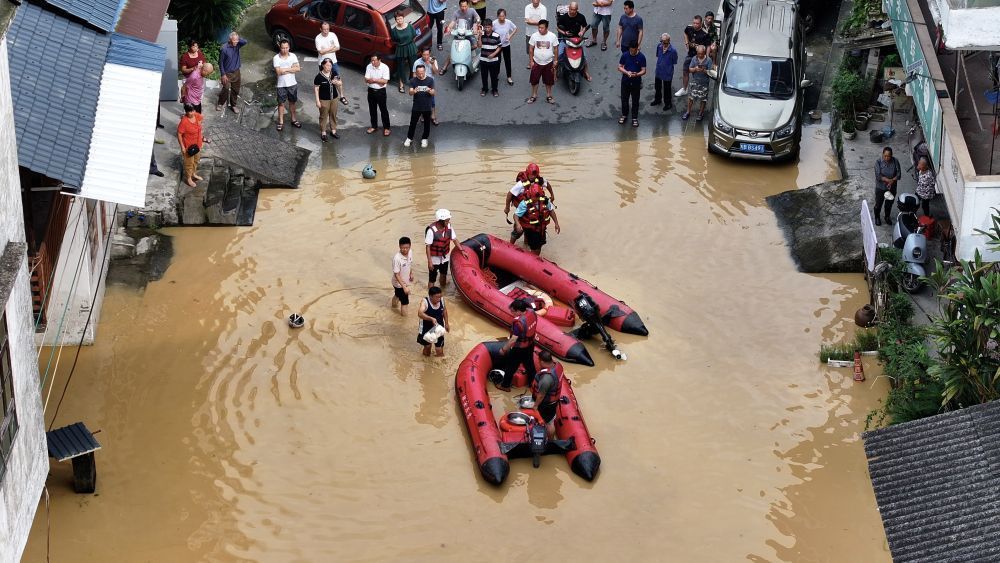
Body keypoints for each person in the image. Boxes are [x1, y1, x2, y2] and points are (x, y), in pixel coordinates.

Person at [490, 298, 538, 391]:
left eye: (513, 312)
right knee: (530, 364)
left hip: (519, 349)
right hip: (530, 344)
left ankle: (505, 386)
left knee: (511, 366)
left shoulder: (518, 323)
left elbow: (513, 339)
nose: (512, 314)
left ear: (519, 311)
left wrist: (504, 349)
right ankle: (533, 383)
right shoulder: (531, 313)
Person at [515, 179, 560, 254]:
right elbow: (516, 215)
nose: (536, 199)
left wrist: (556, 223)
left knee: (539, 246)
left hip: (541, 228)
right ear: (530, 195)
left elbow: (551, 211)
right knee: (534, 247)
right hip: (531, 230)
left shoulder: (545, 201)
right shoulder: (524, 204)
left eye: (538, 197)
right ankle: (531, 259)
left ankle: (534, 258)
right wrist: (517, 224)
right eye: (535, 197)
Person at [425, 208, 466, 287]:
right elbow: (428, 247)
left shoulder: (449, 227)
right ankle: (430, 295)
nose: (448, 222)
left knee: (443, 275)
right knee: (432, 278)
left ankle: (443, 291)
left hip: (445, 257)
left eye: (448, 220)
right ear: (440, 221)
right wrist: (429, 262)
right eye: (446, 220)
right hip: (434, 259)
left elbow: (454, 239)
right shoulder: (431, 230)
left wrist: (462, 250)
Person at [441, 0, 482, 74]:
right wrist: (448, 29)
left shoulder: (472, 11)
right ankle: (444, 67)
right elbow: (453, 22)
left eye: (465, 6)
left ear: (468, 5)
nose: (464, 8)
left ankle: (466, 55)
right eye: (462, 6)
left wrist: (476, 24)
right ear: (459, 6)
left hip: (469, 33)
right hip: (459, 34)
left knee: (475, 46)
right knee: (454, 51)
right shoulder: (456, 13)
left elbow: (477, 18)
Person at [315, 22, 349, 105]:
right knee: (323, 80)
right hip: (322, 63)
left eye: (327, 29)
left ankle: (341, 96)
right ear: (320, 29)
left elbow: (338, 47)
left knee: (337, 79)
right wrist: (331, 47)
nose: (326, 31)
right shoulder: (318, 38)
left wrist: (326, 50)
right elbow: (321, 52)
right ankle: (323, 96)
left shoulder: (333, 35)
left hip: (333, 62)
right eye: (324, 29)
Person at [556, 2, 591, 81]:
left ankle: (586, 72)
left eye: (574, 10)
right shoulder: (563, 18)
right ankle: (556, 71)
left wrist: (582, 32)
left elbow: (584, 26)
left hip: (577, 40)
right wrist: (564, 33)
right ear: (569, 8)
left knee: (584, 56)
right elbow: (558, 28)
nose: (572, 11)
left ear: (577, 9)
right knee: (559, 55)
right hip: (566, 39)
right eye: (571, 9)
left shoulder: (581, 17)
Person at [676, 15, 710, 97]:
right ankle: (684, 89)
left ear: (701, 23)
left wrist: (707, 57)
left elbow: (708, 46)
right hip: (690, 54)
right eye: (694, 23)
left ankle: (700, 92)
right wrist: (687, 42)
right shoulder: (689, 27)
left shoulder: (705, 34)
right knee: (685, 71)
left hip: (699, 58)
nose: (695, 25)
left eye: (697, 23)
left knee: (699, 75)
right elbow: (685, 33)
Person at [527, 19, 558, 104]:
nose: (540, 29)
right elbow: (531, 49)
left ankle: (549, 96)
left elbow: (555, 49)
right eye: (539, 27)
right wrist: (531, 61)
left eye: (542, 28)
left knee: (549, 81)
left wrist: (555, 60)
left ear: (547, 28)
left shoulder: (552, 36)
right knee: (534, 80)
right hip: (536, 62)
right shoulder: (534, 36)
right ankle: (533, 95)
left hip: (548, 63)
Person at [273, 40, 301, 131]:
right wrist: (291, 69)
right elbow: (278, 72)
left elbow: (297, 69)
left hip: (292, 83)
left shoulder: (293, 56)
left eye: (286, 48)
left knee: (292, 102)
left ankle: (293, 119)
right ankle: (281, 121)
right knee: (281, 103)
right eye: (283, 48)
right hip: (281, 84)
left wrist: (284, 70)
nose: (285, 50)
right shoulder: (276, 58)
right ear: (280, 47)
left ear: (289, 47)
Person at [405, 64, 435, 147]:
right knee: (413, 123)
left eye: (422, 72)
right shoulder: (413, 80)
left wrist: (429, 90)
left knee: (427, 124)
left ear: (425, 71)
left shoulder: (430, 80)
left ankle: (425, 138)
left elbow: (433, 93)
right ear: (416, 72)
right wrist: (414, 91)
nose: (421, 75)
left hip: (427, 106)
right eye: (419, 73)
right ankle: (409, 138)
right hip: (416, 106)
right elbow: (410, 93)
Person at [530, 350, 563, 425]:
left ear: (542, 362)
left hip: (545, 405)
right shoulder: (558, 365)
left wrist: (535, 406)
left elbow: (541, 395)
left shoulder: (546, 379)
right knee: (550, 421)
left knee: (546, 423)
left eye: (539, 361)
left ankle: (542, 433)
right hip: (553, 402)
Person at [217, 32, 246, 113]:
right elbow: (221, 63)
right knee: (225, 89)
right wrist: (223, 74)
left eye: (237, 40)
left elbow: (245, 42)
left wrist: (237, 39)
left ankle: (233, 105)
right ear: (230, 40)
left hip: (236, 71)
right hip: (227, 73)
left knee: (236, 89)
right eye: (234, 40)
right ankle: (220, 103)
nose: (236, 42)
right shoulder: (224, 49)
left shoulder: (238, 45)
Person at [618, 42, 646, 127]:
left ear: (637, 48)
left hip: (636, 82)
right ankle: (624, 115)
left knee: (635, 101)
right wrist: (627, 72)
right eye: (630, 50)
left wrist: (636, 74)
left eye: (633, 51)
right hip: (625, 81)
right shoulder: (625, 55)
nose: (632, 52)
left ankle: (634, 118)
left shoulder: (641, 57)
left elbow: (644, 70)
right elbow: (619, 67)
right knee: (624, 100)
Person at [314, 58, 342, 142]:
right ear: (323, 65)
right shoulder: (318, 77)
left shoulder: (334, 73)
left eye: (330, 65)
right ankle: (323, 132)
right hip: (324, 100)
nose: (329, 67)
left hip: (334, 98)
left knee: (333, 114)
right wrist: (317, 101)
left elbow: (340, 83)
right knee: (323, 116)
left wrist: (336, 82)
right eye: (327, 65)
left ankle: (333, 131)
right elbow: (316, 89)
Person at [390, 11, 419, 92]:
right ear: (395, 20)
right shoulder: (394, 30)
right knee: (401, 67)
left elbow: (414, 36)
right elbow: (394, 40)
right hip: (400, 49)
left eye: (401, 18)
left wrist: (409, 43)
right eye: (398, 19)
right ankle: (401, 84)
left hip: (410, 47)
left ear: (403, 18)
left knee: (413, 65)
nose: (400, 20)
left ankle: (413, 83)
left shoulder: (410, 26)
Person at [417, 286, 450, 357]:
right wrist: (431, 319)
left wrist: (446, 323)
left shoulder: (441, 299)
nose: (439, 299)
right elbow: (420, 313)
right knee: (427, 348)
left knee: (439, 350)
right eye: (437, 297)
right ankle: (425, 364)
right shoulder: (425, 302)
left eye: (440, 297)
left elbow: (444, 310)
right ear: (430, 296)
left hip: (438, 327)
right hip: (426, 328)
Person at [177, 103, 204, 188]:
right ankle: (188, 178)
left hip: (197, 144)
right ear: (186, 112)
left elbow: (201, 118)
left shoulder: (196, 115)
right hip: (188, 146)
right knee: (189, 163)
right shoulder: (184, 122)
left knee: (196, 160)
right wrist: (182, 147)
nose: (192, 113)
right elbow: (179, 134)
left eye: (193, 110)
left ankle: (193, 173)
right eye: (189, 111)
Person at [682, 45, 711, 121]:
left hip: (704, 83)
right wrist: (695, 69)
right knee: (691, 98)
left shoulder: (709, 60)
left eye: (702, 53)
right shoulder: (694, 58)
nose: (700, 55)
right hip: (694, 82)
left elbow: (711, 72)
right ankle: (688, 112)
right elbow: (690, 69)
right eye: (699, 53)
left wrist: (704, 70)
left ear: (704, 52)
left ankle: (700, 113)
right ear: (697, 53)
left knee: (703, 99)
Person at [874, 147, 902, 226]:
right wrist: (887, 180)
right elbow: (878, 176)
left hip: (892, 187)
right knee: (878, 204)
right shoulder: (878, 162)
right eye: (885, 156)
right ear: (883, 154)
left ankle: (887, 217)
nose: (887, 158)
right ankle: (877, 217)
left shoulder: (895, 161)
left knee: (889, 203)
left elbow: (899, 174)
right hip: (881, 187)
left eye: (889, 156)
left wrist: (893, 180)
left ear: (891, 155)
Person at [413, 48, 441, 124]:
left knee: (432, 100)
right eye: (424, 55)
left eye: (427, 54)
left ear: (430, 54)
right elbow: (414, 74)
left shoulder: (433, 60)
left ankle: (433, 115)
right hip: (420, 82)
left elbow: (436, 72)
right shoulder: (417, 62)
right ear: (421, 54)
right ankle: (422, 115)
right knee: (421, 100)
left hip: (430, 82)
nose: (426, 56)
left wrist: (431, 64)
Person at [365, 54, 391, 136]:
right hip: (371, 90)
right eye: (371, 60)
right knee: (372, 109)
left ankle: (386, 128)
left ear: (379, 60)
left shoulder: (385, 67)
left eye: (374, 60)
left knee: (383, 110)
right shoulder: (369, 66)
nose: (372, 62)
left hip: (381, 91)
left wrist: (374, 80)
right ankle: (374, 126)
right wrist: (379, 81)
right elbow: (366, 79)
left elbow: (385, 81)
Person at [652, 33, 678, 110]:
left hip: (667, 72)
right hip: (659, 70)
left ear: (669, 41)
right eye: (662, 41)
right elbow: (657, 55)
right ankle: (658, 99)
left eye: (665, 42)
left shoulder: (673, 51)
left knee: (667, 89)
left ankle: (668, 103)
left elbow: (674, 61)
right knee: (657, 87)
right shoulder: (659, 46)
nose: (663, 44)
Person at [492, 9, 518, 85]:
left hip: (506, 44)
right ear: (497, 16)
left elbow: (515, 28)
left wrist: (510, 36)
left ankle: (509, 77)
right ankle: (496, 75)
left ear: (505, 16)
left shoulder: (508, 22)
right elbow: (491, 32)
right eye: (500, 16)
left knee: (507, 61)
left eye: (503, 16)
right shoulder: (494, 23)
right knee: (497, 61)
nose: (501, 18)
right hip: (497, 45)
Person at [478, 18, 502, 96]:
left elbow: (499, 47)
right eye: (485, 27)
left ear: (492, 27)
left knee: (494, 76)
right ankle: (484, 89)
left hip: (494, 60)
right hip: (483, 59)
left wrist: (493, 54)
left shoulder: (496, 35)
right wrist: (479, 36)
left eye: (488, 27)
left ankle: (495, 90)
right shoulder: (482, 35)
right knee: (484, 76)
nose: (487, 29)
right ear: (483, 27)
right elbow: (479, 45)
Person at [392, 236, 415, 316]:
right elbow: (396, 274)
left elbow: (410, 264)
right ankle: (403, 320)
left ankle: (393, 306)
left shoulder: (410, 252)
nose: (405, 250)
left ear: (410, 246)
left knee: (397, 295)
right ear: (399, 247)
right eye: (403, 248)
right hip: (399, 284)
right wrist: (404, 287)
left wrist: (411, 273)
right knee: (405, 303)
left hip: (404, 282)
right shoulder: (397, 258)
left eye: (407, 247)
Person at [505, 171, 530, 243]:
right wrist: (507, 207)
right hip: (522, 209)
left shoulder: (539, 180)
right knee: (517, 231)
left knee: (528, 230)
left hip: (531, 210)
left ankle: (526, 245)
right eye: (532, 174)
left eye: (535, 174)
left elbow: (547, 184)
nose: (533, 176)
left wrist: (552, 195)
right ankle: (510, 245)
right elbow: (510, 194)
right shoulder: (520, 184)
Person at [523, 0, 548, 68]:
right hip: (529, 32)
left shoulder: (543, 8)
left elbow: (543, 22)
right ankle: (531, 61)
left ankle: (538, 62)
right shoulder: (527, 7)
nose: (535, 0)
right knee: (529, 49)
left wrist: (531, 21)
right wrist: (538, 22)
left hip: (540, 32)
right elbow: (527, 21)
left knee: (539, 47)